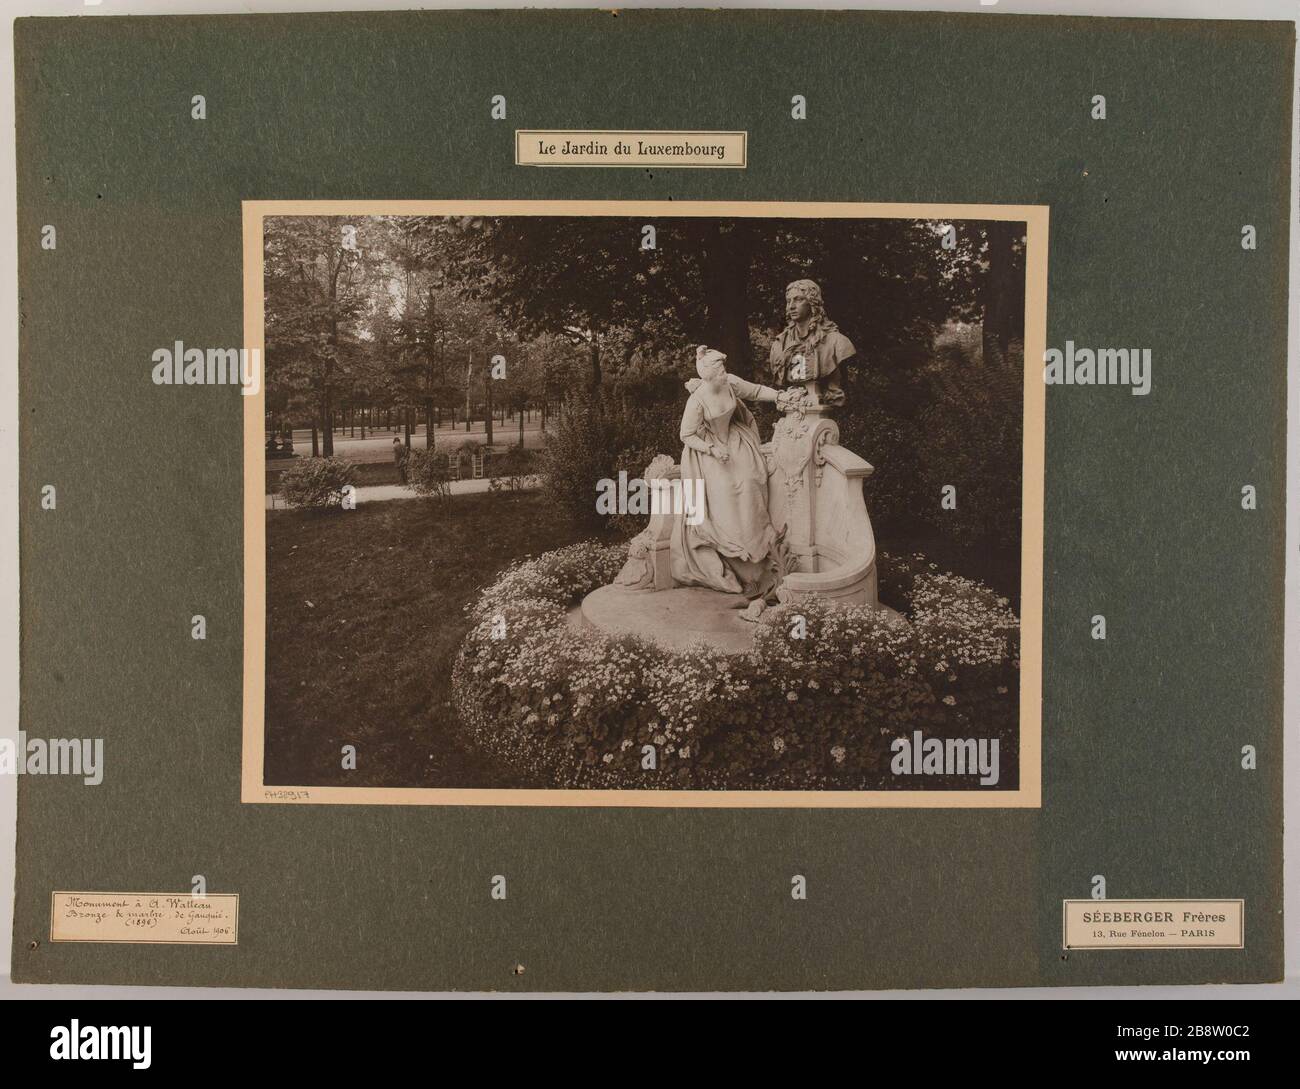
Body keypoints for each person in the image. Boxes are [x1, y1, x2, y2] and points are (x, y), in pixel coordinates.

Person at [671, 345, 791, 616]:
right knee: (724, 493)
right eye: (720, 368)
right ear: (709, 375)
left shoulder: (731, 383)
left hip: (737, 442)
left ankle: (760, 549)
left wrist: (780, 396)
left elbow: (758, 391)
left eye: (724, 367)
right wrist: (712, 449)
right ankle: (737, 557)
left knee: (750, 482)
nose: (725, 371)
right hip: (708, 450)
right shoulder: (698, 399)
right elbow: (686, 435)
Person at [768, 278, 856, 407]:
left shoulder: (835, 342)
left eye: (798, 299)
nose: (791, 306)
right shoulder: (779, 345)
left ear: (812, 303)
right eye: (788, 301)